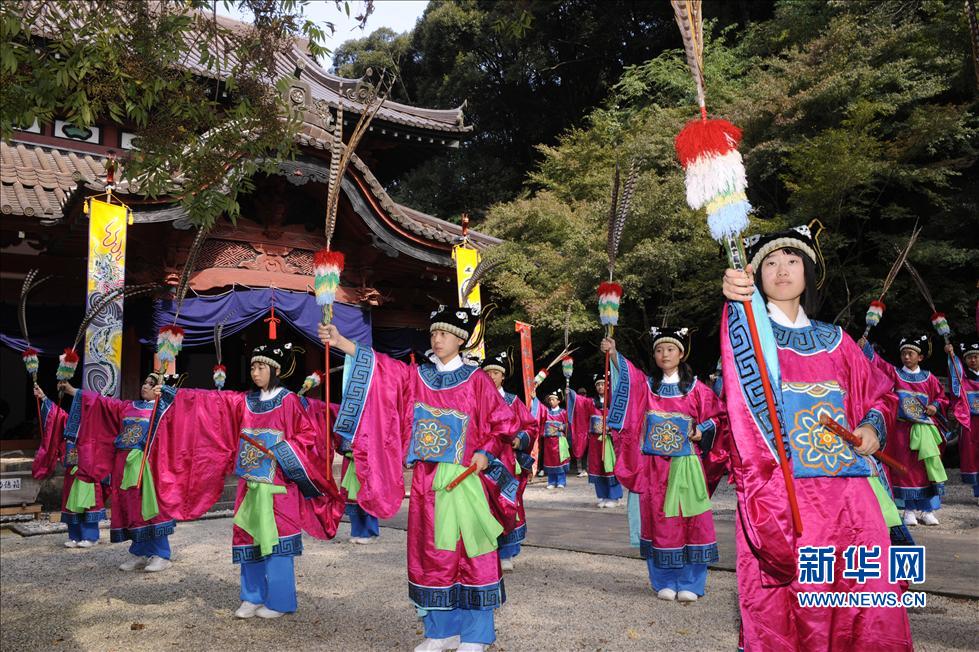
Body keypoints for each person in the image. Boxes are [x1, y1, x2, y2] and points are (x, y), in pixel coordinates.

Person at [720, 224, 912, 650]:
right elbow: (736, 401)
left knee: (870, 597)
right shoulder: (750, 340)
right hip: (789, 499)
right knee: (801, 605)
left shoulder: (837, 341)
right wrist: (734, 302)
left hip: (853, 499)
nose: (782, 270)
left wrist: (871, 429)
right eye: (770, 262)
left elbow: (881, 393)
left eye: (792, 261)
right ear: (755, 274)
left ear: (808, 272)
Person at [319, 305, 519, 652]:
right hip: (427, 483)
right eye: (433, 333)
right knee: (432, 555)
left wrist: (486, 452)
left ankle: (476, 635)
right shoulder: (417, 377)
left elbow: (504, 424)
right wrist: (345, 344)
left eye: (444, 333)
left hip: (465, 479)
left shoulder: (478, 381)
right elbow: (384, 370)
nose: (436, 338)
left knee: (473, 552)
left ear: (459, 339)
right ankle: (441, 632)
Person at [136, 342, 344, 619]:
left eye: (261, 367)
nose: (255, 372)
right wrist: (174, 394)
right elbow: (210, 402)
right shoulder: (244, 401)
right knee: (247, 535)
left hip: (278, 485)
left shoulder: (289, 400)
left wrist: (279, 450)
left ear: (275, 369)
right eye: (253, 367)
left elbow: (307, 436)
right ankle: (251, 597)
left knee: (278, 541)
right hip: (248, 482)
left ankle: (280, 601)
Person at [603, 327, 724, 602]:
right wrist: (613, 355)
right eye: (659, 350)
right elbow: (630, 382)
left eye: (670, 349)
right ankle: (664, 580)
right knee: (659, 519)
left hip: (686, 465)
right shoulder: (647, 387)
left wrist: (700, 431)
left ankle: (691, 581)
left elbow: (719, 418)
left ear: (681, 353)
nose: (664, 354)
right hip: (654, 466)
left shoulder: (698, 390)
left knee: (692, 519)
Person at [60, 375, 176, 570]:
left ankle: (161, 554)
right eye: (145, 382)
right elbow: (102, 403)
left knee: (150, 508)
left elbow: (179, 417)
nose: (145, 386)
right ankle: (139, 552)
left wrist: (166, 395)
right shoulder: (128, 406)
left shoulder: (164, 409)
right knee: (131, 508)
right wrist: (74, 392)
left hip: (148, 465)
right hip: (124, 463)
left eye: (151, 384)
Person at [859, 333, 949, 526]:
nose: (906, 357)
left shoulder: (930, 378)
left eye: (910, 354)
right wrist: (866, 348)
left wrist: (934, 405)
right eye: (904, 354)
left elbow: (942, 397)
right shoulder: (895, 374)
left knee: (926, 468)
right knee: (904, 469)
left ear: (920, 357)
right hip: (902, 430)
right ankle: (908, 509)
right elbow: (879, 364)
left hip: (924, 429)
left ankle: (926, 509)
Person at [482, 350, 539, 572]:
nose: (492, 376)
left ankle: (507, 552)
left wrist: (519, 439)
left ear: (503, 376)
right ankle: (487, 550)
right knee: (485, 505)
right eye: (488, 373)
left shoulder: (513, 401)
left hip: (508, 461)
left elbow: (531, 425)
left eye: (496, 372)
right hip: (484, 461)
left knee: (508, 503)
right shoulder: (477, 400)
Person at [31, 385, 105, 549]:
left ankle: (90, 536)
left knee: (88, 501)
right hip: (72, 467)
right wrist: (43, 397)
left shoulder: (98, 423)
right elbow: (56, 416)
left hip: (89, 469)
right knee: (71, 501)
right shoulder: (70, 419)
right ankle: (74, 535)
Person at [568, 375, 622, 507]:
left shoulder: (615, 402)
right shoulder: (590, 402)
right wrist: (571, 393)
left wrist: (612, 429)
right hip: (595, 441)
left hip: (609, 440)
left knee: (610, 467)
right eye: (598, 385)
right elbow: (579, 402)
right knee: (598, 467)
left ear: (607, 386)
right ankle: (603, 496)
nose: (600, 387)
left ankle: (614, 497)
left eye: (603, 384)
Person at [952, 339, 979, 503]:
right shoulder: (962, 378)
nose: (973, 360)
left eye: (976, 356)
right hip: (970, 423)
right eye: (970, 357)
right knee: (973, 456)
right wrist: (951, 355)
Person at [538, 390, 570, 489]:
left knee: (559, 460)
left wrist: (563, 427)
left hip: (559, 441)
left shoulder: (563, 412)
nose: (551, 401)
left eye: (553, 399)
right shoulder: (546, 412)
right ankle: (551, 481)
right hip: (549, 441)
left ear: (558, 401)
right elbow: (539, 410)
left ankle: (561, 481)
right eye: (550, 400)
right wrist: (535, 398)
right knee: (549, 460)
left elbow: (568, 424)